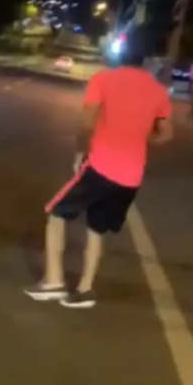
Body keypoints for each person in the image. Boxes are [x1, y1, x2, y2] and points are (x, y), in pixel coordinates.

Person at [24, 29, 174, 309]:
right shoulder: (158, 91)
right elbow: (166, 135)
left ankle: (53, 281)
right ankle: (85, 289)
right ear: (146, 58)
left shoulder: (103, 80)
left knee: (55, 214)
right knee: (97, 229)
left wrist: (80, 152)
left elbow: (88, 123)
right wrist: (143, 137)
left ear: (121, 54)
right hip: (131, 177)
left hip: (101, 166)